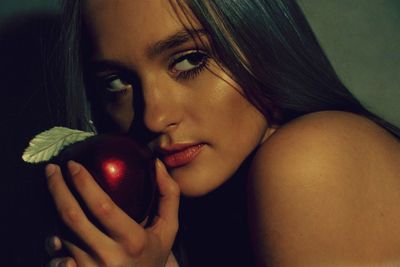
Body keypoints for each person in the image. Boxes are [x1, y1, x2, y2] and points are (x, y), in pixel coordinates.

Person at [45, 0, 400, 266]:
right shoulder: (206, 214)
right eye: (117, 82)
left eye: (190, 60)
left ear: (265, 46)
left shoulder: (313, 158)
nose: (154, 118)